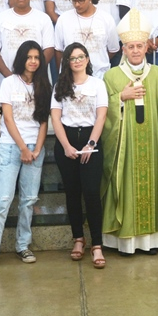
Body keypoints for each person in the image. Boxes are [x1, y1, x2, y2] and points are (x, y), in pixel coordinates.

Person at [101, 9, 158, 254]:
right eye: (130, 47)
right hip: (125, 148)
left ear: (147, 47)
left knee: (152, 186)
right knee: (126, 187)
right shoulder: (111, 77)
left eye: (139, 46)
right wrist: (120, 97)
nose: (135, 50)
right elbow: (103, 113)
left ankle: (151, 242)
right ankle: (126, 243)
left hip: (153, 144)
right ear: (123, 49)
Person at [0, 40, 50, 270]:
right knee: (3, 200)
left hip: (35, 148)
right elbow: (8, 119)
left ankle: (23, 246)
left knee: (28, 201)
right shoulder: (9, 82)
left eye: (37, 57)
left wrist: (37, 149)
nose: (33, 61)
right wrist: (23, 148)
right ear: (21, 58)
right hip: (12, 147)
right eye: (29, 57)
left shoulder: (43, 84)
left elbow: (43, 120)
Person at [51, 42, 110, 268]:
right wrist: (66, 146)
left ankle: (97, 244)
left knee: (92, 192)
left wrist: (91, 144)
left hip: (90, 140)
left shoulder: (97, 84)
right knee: (72, 192)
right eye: (72, 58)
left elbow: (101, 116)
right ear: (67, 62)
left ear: (87, 59)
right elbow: (56, 118)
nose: (77, 61)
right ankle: (78, 239)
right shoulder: (60, 85)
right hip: (66, 141)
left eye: (81, 56)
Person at [0, 0, 55, 75]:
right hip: (7, 78)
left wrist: (34, 73)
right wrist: (10, 77)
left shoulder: (43, 18)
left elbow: (49, 49)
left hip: (37, 78)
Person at [53, 0, 119, 78]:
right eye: (73, 0)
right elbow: (58, 50)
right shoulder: (63, 19)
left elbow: (113, 50)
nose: (77, 4)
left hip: (100, 77)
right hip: (71, 78)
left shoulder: (106, 19)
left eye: (81, 0)